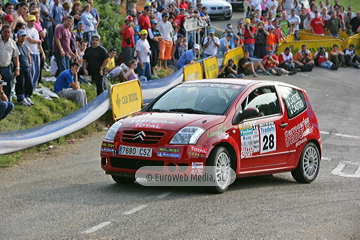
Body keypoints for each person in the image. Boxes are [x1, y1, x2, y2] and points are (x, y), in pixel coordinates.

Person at [25, 14, 45, 88]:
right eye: (31, 21)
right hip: (30, 53)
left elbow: (39, 44)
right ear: (28, 21)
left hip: (36, 52)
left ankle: (34, 86)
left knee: (37, 70)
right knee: (32, 71)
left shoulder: (35, 31)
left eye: (33, 21)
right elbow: (30, 40)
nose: (32, 22)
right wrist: (39, 41)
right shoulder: (26, 30)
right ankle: (30, 87)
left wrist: (42, 53)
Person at [0, 25, 20, 100]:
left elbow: (16, 57)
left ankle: (7, 104)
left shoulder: (12, 43)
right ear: (2, 31)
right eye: (5, 32)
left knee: (8, 87)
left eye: (9, 32)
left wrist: (17, 68)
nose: (7, 34)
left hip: (7, 68)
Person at [15, 29, 34, 106]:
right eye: (21, 36)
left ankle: (27, 96)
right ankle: (20, 98)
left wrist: (30, 64)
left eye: (24, 36)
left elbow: (28, 56)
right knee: (21, 84)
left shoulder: (26, 47)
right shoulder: (16, 46)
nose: (23, 37)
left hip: (27, 67)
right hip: (20, 67)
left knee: (29, 83)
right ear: (18, 36)